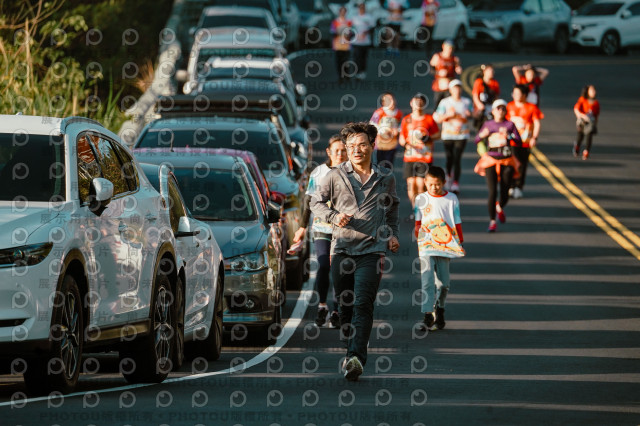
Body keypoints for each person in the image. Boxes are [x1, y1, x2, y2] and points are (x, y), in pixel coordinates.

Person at [310, 122, 400, 382]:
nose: (356, 150)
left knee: (363, 303)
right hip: (342, 249)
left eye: (361, 145)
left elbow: (392, 208)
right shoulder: (335, 175)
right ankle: (351, 347)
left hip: (372, 249)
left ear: (373, 145)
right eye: (351, 146)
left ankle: (356, 357)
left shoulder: (385, 177)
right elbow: (315, 202)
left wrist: (392, 234)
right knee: (346, 306)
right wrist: (333, 216)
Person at [293, 136, 347, 327]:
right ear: (328, 152)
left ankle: (337, 310)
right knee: (324, 265)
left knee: (339, 269)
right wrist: (302, 228)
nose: (340, 154)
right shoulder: (319, 172)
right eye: (336, 150)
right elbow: (308, 201)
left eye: (343, 150)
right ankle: (322, 305)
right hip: (322, 227)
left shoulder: (352, 171)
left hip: (344, 230)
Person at [414, 166, 465, 331]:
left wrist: (460, 240)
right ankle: (427, 315)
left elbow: (457, 220)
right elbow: (418, 222)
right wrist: (419, 238)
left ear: (443, 182)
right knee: (427, 280)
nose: (434, 187)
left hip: (445, 244)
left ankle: (440, 309)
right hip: (426, 245)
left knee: (444, 284)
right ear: (425, 182)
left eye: (437, 184)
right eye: (430, 184)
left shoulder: (451, 199)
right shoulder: (420, 199)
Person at [474, 99, 522, 232]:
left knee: (505, 191)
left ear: (506, 111)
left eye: (503, 108)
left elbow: (519, 141)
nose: (500, 111)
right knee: (492, 191)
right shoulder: (488, 124)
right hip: (491, 159)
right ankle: (492, 221)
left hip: (506, 160)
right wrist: (482, 135)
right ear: (493, 111)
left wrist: (509, 136)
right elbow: (477, 139)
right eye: (498, 108)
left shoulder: (510, 124)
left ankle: (499, 206)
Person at [399, 93, 440, 208]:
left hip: (424, 157)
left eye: (421, 102)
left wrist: (428, 138)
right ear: (411, 103)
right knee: (411, 185)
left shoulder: (429, 119)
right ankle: (415, 208)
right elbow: (402, 137)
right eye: (416, 102)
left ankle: (422, 208)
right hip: (410, 156)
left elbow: (438, 134)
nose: (418, 104)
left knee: (421, 185)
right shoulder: (406, 119)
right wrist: (406, 144)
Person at [433, 79, 472, 193]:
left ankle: (455, 183)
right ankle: (449, 175)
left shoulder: (466, 102)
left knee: (457, 158)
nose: (457, 90)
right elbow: (438, 118)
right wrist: (448, 115)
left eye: (459, 87)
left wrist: (470, 114)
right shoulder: (445, 102)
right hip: (448, 134)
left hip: (462, 134)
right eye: (455, 88)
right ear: (450, 90)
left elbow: (473, 113)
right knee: (449, 157)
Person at [506, 84, 544, 199]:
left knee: (522, 165)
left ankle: (518, 186)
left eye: (518, 93)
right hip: (512, 141)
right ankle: (511, 185)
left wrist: (534, 137)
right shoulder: (509, 106)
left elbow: (537, 123)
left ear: (524, 95)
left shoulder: (531, 108)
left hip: (525, 142)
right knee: (512, 163)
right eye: (514, 93)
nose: (515, 95)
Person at [370, 92, 403, 169]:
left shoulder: (399, 113)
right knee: (378, 164)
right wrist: (382, 131)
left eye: (392, 99)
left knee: (389, 165)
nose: (391, 102)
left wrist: (397, 131)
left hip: (392, 144)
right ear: (383, 102)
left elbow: (402, 125)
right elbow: (372, 125)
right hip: (380, 145)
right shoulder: (379, 112)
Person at [429, 39, 462, 110]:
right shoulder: (437, 57)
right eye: (448, 47)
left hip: (450, 85)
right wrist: (438, 72)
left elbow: (457, 68)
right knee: (437, 104)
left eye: (451, 48)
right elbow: (430, 70)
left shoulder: (455, 59)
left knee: (449, 105)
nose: (449, 50)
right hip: (439, 85)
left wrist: (458, 69)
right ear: (443, 46)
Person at [573, 84, 600, 160]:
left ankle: (586, 151)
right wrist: (581, 116)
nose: (593, 92)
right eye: (591, 90)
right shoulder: (582, 100)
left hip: (590, 123)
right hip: (582, 122)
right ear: (587, 91)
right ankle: (577, 146)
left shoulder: (596, 103)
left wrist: (595, 124)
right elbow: (576, 109)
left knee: (589, 136)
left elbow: (596, 115)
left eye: (594, 90)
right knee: (580, 136)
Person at [351, 1, 375, 80]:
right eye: (360, 8)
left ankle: (362, 72)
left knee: (363, 58)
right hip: (356, 41)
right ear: (358, 8)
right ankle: (357, 72)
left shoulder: (369, 17)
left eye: (363, 8)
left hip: (365, 42)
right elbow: (351, 28)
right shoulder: (354, 17)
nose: (361, 9)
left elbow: (372, 28)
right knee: (356, 58)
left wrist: (366, 32)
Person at [472, 64, 500, 131]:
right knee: (481, 125)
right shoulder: (479, 82)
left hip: (490, 107)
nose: (492, 72)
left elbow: (496, 96)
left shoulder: (495, 83)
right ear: (484, 72)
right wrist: (479, 105)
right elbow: (475, 95)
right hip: (481, 108)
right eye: (490, 71)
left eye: (492, 71)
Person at [331, 6, 353, 83]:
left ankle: (347, 75)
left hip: (346, 45)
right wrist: (339, 32)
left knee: (346, 61)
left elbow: (352, 32)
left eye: (344, 11)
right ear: (339, 12)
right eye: (342, 11)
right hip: (338, 45)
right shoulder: (335, 22)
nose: (343, 13)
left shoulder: (349, 22)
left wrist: (349, 34)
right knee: (339, 62)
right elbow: (332, 32)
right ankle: (340, 77)